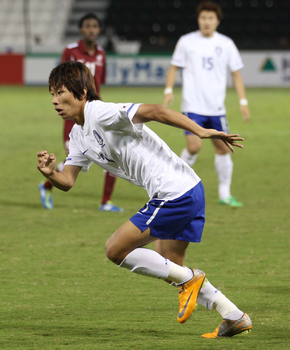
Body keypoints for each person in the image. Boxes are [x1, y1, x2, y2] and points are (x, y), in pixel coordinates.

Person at [37, 61, 252, 338]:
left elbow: (156, 111)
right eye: (52, 94)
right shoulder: (78, 134)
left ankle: (192, 279)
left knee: (115, 249)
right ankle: (234, 316)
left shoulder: (100, 112)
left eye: (61, 92)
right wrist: (50, 173)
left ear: (82, 92)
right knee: (171, 266)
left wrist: (201, 131)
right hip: (188, 189)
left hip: (174, 193)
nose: (55, 100)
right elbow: (67, 181)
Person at [164, 1, 250, 207]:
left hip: (216, 108)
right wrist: (168, 90)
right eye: (203, 18)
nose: (206, 22)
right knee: (194, 147)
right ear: (198, 20)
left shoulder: (227, 44)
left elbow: (236, 75)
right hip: (192, 105)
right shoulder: (186, 41)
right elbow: (174, 67)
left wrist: (243, 101)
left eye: (211, 18)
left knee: (222, 148)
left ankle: (224, 194)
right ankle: (174, 187)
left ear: (217, 21)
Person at [39, 13, 124, 212]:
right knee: (74, 154)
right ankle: (47, 186)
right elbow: (59, 80)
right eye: (87, 26)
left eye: (95, 26)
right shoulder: (70, 51)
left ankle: (106, 202)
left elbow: (99, 85)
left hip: (95, 111)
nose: (91, 30)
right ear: (81, 29)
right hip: (73, 113)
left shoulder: (102, 54)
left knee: (113, 150)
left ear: (99, 30)